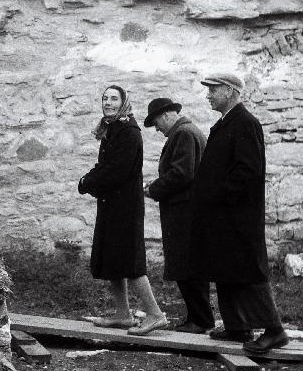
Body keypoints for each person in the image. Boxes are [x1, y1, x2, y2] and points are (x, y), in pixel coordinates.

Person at [190, 72, 289, 353]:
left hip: (237, 215)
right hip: (222, 215)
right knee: (225, 269)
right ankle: (237, 326)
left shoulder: (245, 123)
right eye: (208, 90)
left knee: (247, 273)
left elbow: (247, 171)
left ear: (232, 91)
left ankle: (274, 330)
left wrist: (218, 197)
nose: (208, 95)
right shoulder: (224, 124)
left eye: (214, 90)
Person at [78, 85, 167, 335]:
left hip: (124, 206)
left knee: (130, 261)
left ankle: (155, 314)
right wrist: (89, 178)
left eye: (114, 99)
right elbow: (104, 165)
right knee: (114, 259)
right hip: (112, 203)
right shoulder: (113, 128)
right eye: (105, 98)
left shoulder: (128, 131)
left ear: (124, 102)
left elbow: (117, 170)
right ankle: (122, 314)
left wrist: (88, 183)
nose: (108, 103)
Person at [143, 97, 213, 334]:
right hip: (191, 210)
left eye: (156, 123)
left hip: (186, 212)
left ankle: (201, 320)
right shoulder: (188, 131)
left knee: (188, 266)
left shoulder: (182, 133)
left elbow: (182, 173)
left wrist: (154, 188)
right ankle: (198, 317)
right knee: (192, 266)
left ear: (165, 116)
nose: (157, 129)